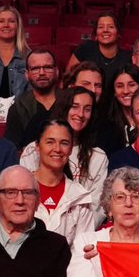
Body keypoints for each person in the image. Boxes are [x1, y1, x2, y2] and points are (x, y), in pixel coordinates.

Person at [20, 87, 108, 224]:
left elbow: (96, 209)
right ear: (63, 108)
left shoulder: (97, 157)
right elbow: (23, 195)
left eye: (87, 109)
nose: (81, 114)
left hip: (78, 232)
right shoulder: (34, 149)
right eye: (74, 107)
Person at [30, 119, 95, 244]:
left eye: (64, 143)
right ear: (37, 146)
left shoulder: (80, 197)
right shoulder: (17, 188)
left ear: (71, 149)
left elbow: (83, 250)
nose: (57, 149)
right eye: (50, 142)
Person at [3, 48, 59, 149]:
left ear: (57, 72)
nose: (42, 72)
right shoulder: (18, 108)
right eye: (35, 68)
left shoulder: (71, 102)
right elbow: (13, 149)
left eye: (47, 67)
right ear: (27, 74)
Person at [93, 65, 139, 156]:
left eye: (131, 85)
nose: (125, 91)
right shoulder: (105, 123)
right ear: (114, 92)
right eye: (119, 86)